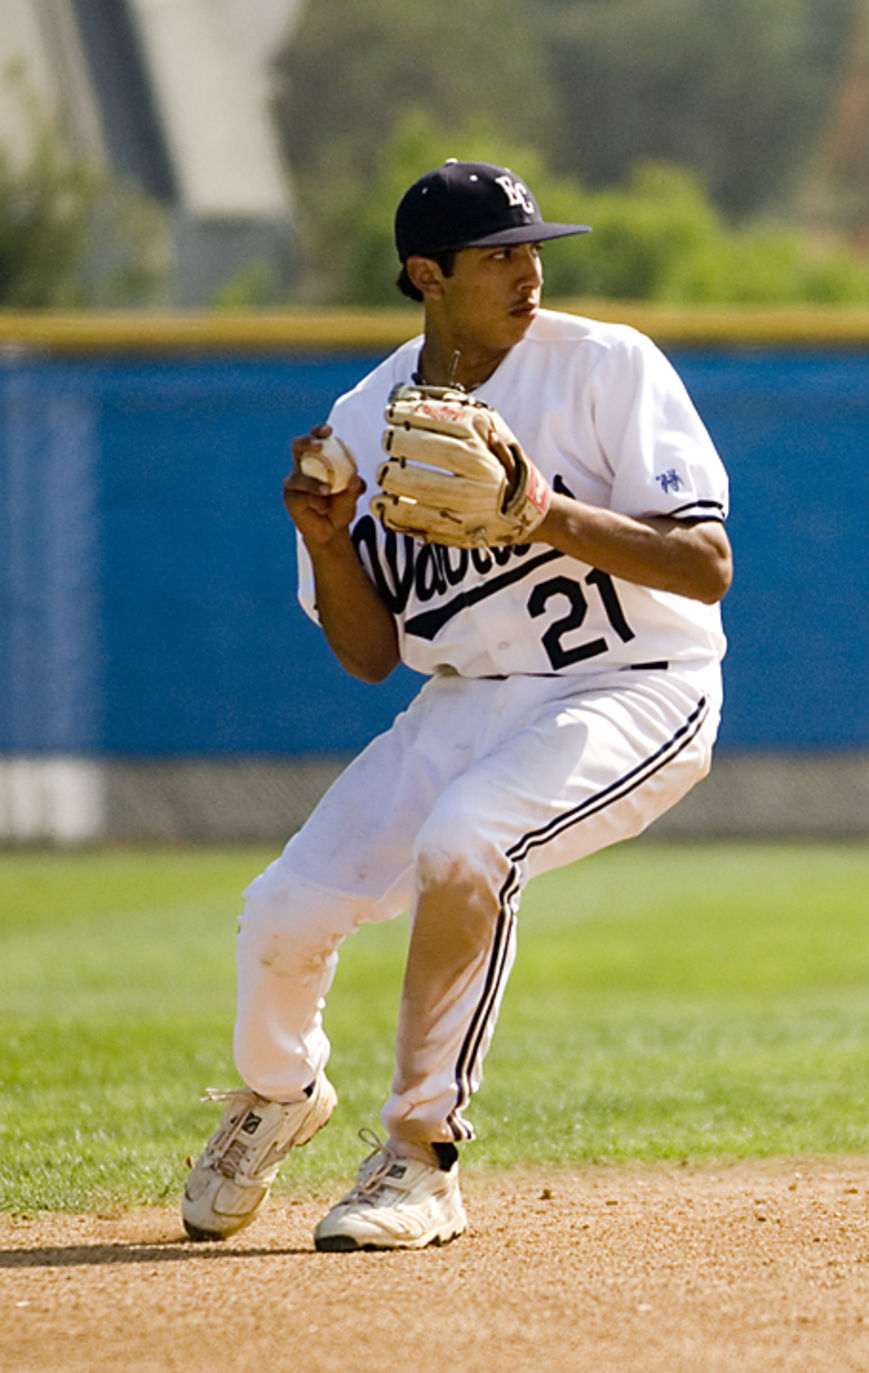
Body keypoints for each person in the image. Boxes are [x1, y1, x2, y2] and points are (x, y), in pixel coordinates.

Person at [182, 159, 732, 1252]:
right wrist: (329, 540)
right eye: (496, 257)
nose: (528, 271)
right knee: (285, 908)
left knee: (468, 843)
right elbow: (367, 656)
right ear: (426, 276)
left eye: (532, 249)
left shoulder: (605, 366)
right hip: (468, 698)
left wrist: (541, 509)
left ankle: (422, 1157)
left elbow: (705, 565)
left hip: (631, 682)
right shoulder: (362, 415)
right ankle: (281, 1092)